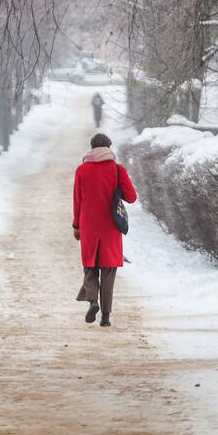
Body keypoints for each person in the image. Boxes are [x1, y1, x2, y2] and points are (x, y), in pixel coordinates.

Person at [72, 133, 137, 327]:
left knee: (90, 267)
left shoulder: (82, 170)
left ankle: (93, 301)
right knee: (109, 270)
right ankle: (106, 317)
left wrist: (76, 225)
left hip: (89, 225)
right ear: (109, 148)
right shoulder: (117, 170)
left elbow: (77, 200)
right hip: (110, 226)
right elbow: (132, 197)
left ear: (92, 148)